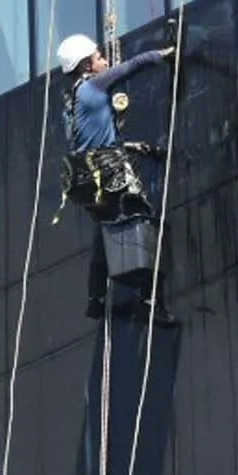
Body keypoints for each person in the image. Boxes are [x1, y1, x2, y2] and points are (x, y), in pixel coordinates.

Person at [55, 34, 176, 323]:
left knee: (106, 229)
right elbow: (132, 66)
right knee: (144, 222)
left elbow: (90, 141)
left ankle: (95, 299)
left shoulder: (70, 103)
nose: (104, 61)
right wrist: (165, 53)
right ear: (86, 65)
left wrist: (134, 147)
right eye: (98, 58)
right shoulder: (94, 86)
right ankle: (150, 303)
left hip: (83, 179)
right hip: (108, 172)